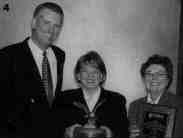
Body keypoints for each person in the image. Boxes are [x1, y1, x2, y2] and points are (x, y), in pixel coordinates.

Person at [1, 2, 65, 138]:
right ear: (34, 23)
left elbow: (52, 105)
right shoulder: (7, 56)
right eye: (46, 23)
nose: (51, 30)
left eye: (57, 26)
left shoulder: (60, 55)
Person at [54, 51, 129, 138]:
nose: (90, 76)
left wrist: (111, 134)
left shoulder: (117, 100)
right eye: (85, 71)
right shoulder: (63, 99)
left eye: (95, 72)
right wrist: (66, 132)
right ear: (78, 75)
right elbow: (53, 130)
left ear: (102, 76)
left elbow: (124, 133)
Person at [128, 54, 183, 138]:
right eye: (149, 74)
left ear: (168, 80)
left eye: (160, 74)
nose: (154, 78)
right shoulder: (134, 106)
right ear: (143, 79)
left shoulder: (179, 105)